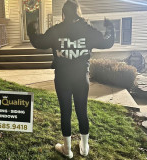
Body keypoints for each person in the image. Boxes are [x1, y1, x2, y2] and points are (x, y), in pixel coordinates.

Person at [27, 0, 114, 158]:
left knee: (65, 113)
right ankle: (84, 148)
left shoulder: (56, 30)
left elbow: (38, 42)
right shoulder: (88, 30)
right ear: (78, 12)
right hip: (81, 78)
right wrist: (110, 27)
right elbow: (107, 42)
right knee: (82, 112)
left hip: (62, 78)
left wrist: (31, 28)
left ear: (64, 13)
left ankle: (67, 150)